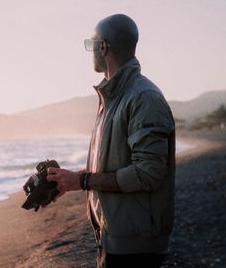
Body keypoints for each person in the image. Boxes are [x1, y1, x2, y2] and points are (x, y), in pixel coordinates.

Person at [46, 14, 176, 268]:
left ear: (103, 47)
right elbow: (116, 164)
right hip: (117, 236)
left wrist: (82, 180)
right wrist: (72, 181)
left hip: (134, 246)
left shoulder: (142, 97)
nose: (90, 50)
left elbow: (148, 173)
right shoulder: (113, 98)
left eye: (90, 44)